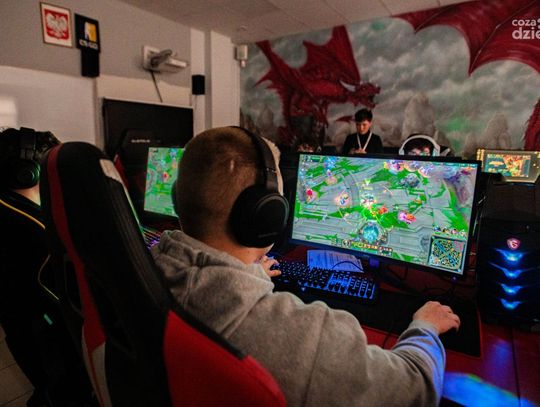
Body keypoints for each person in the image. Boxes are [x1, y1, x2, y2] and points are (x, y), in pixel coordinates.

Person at [152, 126, 460, 406]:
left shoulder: (149, 269)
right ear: (267, 215)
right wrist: (425, 328)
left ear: (178, 198)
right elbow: (416, 391)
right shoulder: (305, 338)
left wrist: (248, 274)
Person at [0, 127, 94, 406]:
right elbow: (79, 295)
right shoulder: (34, 232)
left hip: (23, 335)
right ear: (29, 173)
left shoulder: (8, 208)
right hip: (50, 345)